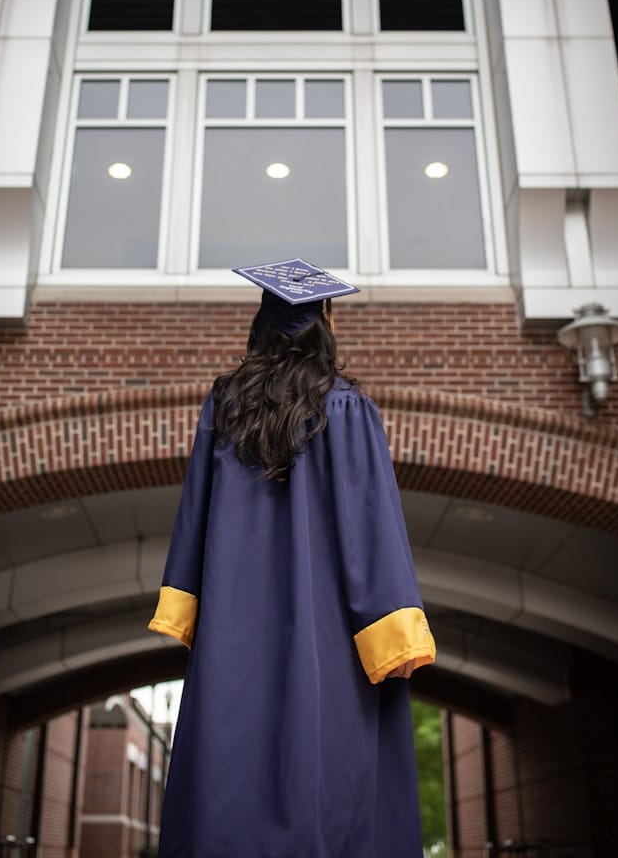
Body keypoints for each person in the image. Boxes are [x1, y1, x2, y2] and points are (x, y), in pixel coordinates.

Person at [148, 259, 436, 858]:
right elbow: (370, 527)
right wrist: (394, 633)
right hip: (327, 639)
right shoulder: (348, 409)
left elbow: (194, 520)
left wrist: (186, 603)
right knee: (329, 777)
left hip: (233, 637)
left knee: (228, 773)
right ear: (324, 328)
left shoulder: (224, 408)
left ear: (261, 328)